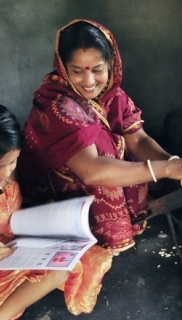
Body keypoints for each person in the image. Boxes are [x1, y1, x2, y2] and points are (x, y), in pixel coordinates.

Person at [18, 19, 182, 255]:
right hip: (58, 196)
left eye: (98, 70)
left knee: (119, 146)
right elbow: (92, 171)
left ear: (111, 63)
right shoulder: (58, 106)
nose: (89, 82)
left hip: (91, 176)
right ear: (63, 67)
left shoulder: (113, 94)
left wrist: (174, 163)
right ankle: (96, 234)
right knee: (104, 148)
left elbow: (138, 140)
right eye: (77, 72)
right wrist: (167, 169)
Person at [0, 105, 112, 319]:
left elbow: (14, 209)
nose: (6, 173)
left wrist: (46, 217)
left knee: (64, 267)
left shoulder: (9, 175)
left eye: (12, 162)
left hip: (16, 251)